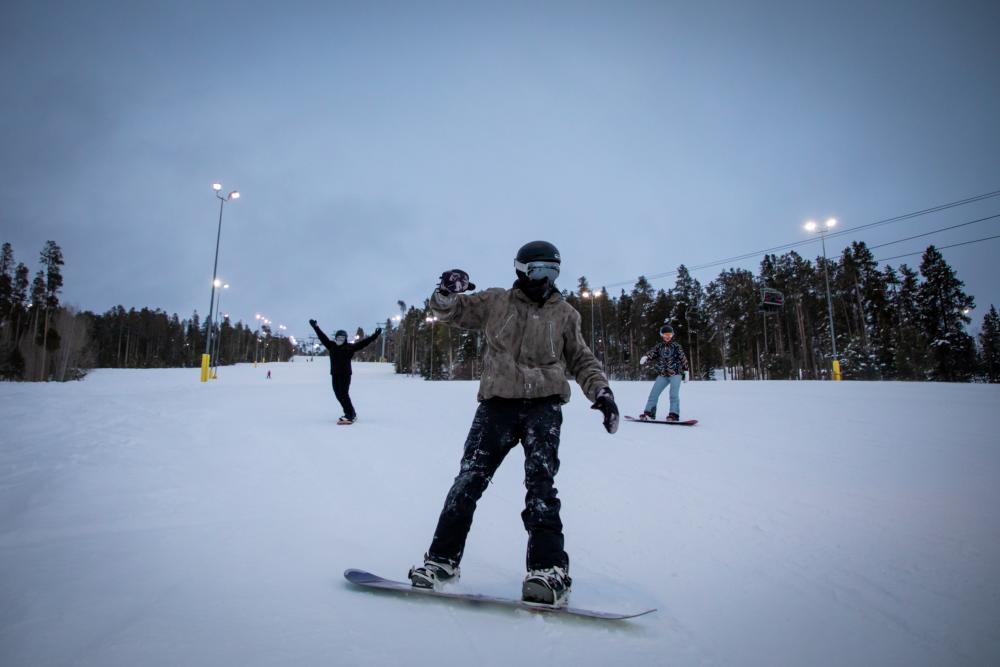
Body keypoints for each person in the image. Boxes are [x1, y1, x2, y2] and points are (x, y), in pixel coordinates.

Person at [407, 241, 619, 607]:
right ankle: (441, 561)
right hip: (498, 403)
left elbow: (581, 358)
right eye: (538, 270)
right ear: (521, 269)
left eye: (553, 272)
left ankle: (548, 570)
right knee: (469, 479)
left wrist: (601, 392)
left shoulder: (565, 313)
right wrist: (445, 292)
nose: (545, 279)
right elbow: (449, 311)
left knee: (541, 485)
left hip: (544, 406)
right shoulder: (495, 302)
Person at [308, 320, 381, 424]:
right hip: (334, 374)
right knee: (338, 394)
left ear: (345, 339)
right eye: (338, 338)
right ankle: (351, 412)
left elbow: (364, 343)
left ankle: (349, 414)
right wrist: (316, 327)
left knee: (344, 394)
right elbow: (322, 337)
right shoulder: (331, 346)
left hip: (345, 375)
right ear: (336, 338)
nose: (339, 340)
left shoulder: (349, 348)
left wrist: (375, 335)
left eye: (342, 338)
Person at [639, 324, 689, 422]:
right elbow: (652, 353)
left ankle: (674, 414)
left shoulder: (676, 346)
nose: (667, 337)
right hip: (663, 374)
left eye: (669, 335)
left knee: (673, 394)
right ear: (662, 335)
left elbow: (683, 358)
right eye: (665, 335)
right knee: (654, 393)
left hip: (676, 373)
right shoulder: (659, 346)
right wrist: (646, 357)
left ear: (672, 335)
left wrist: (686, 371)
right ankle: (649, 413)